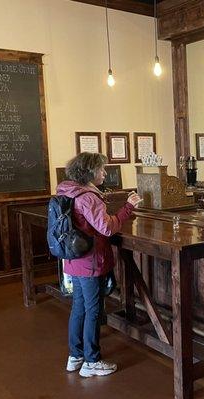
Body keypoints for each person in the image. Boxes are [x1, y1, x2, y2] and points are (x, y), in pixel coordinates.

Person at [57, 152, 141, 377]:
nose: (105, 172)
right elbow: (106, 228)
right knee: (94, 311)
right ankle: (92, 361)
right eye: (102, 169)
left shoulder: (68, 191)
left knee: (79, 308)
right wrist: (128, 207)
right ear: (90, 172)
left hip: (74, 260)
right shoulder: (88, 197)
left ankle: (75, 356)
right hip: (90, 262)